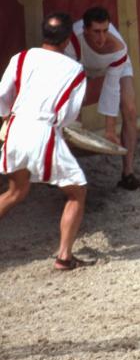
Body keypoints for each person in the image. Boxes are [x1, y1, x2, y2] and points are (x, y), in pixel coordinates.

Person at [0, 13, 92, 270]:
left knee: (15, 191)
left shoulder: (21, 58)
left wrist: (7, 118)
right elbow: (67, 116)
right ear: (66, 41)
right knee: (76, 192)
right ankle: (64, 256)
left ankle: (65, 255)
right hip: (44, 131)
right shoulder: (75, 71)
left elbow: (1, 98)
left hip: (16, 127)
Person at [66, 6, 140, 190]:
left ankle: (128, 173)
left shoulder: (117, 48)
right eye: (96, 32)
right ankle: (65, 173)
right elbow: (70, 81)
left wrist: (110, 130)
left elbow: (111, 89)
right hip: (81, 65)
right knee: (73, 106)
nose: (101, 38)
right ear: (85, 29)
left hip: (114, 65)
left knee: (130, 107)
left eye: (105, 31)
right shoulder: (72, 39)